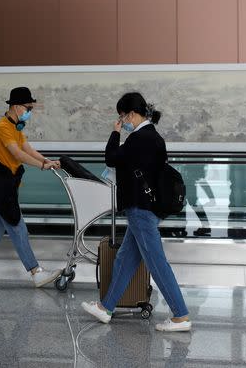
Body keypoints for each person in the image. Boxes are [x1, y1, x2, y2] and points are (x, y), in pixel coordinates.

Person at [82, 92, 191, 332]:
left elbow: (111, 158)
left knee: (156, 262)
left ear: (131, 114)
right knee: (125, 258)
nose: (123, 121)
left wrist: (115, 132)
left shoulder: (139, 138)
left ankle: (180, 315)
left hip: (141, 209)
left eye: (123, 116)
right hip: (146, 208)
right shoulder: (153, 137)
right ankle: (106, 307)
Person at [0, 86, 62, 287]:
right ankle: (36, 272)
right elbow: (17, 155)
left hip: (7, 185)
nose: (30, 112)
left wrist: (47, 160)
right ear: (17, 107)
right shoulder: (3, 127)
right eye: (29, 107)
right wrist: (43, 166)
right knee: (18, 227)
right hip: (3, 186)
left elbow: (27, 148)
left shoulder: (16, 127)